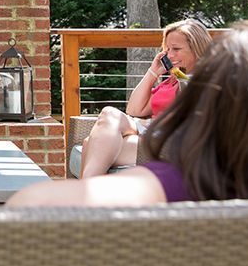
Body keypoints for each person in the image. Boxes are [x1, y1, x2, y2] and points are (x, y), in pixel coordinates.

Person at [8, 21, 248, 206]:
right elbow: (134, 109)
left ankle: (89, 181)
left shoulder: (188, 183)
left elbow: (33, 201)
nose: (169, 54)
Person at [78, 18, 212, 178]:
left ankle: (84, 192)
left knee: (91, 144)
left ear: (198, 49)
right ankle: (88, 193)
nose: (170, 54)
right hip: (147, 131)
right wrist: (153, 72)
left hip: (165, 141)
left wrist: (148, 123)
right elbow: (134, 109)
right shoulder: (173, 80)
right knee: (109, 114)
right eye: (167, 49)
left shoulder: (203, 81)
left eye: (176, 49)